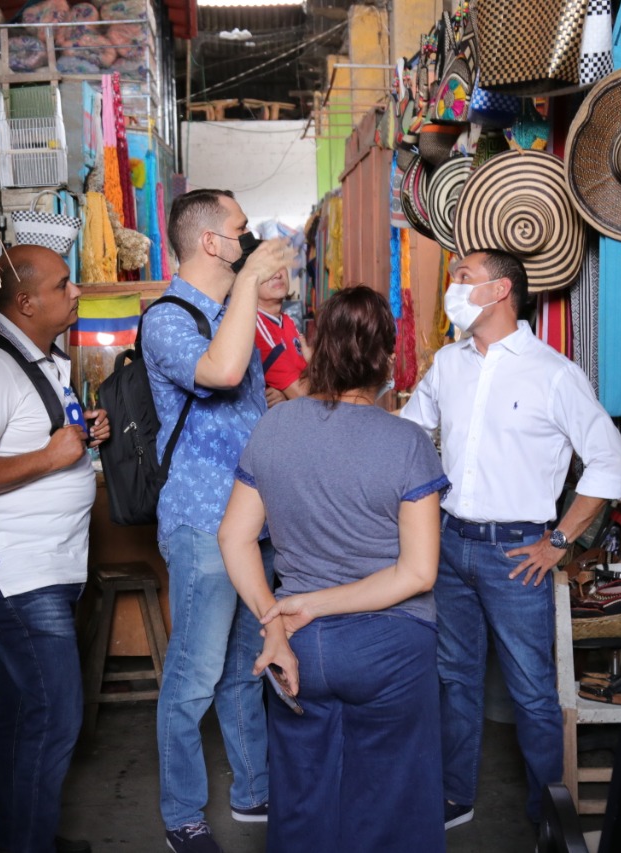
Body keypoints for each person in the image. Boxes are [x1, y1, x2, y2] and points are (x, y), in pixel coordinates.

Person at [400, 249, 621, 829]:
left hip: (518, 556)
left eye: (464, 278)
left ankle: (548, 815)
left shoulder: (553, 373)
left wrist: (559, 540)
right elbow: (407, 435)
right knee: (454, 680)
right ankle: (455, 796)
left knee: (531, 692)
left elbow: (607, 462)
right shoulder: (448, 365)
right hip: (448, 548)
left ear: (499, 291)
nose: (453, 285)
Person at [219, 286, 450, 852]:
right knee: (392, 803)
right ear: (384, 359)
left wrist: (276, 624)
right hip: (391, 648)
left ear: (316, 350)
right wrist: (316, 603)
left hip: (299, 645)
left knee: (301, 803)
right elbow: (418, 574)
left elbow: (234, 536)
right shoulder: (407, 441)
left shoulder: (274, 427)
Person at [0, 244, 111, 853]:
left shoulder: (39, 359)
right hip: (17, 576)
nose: (76, 293)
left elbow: (46, 440)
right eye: (65, 285)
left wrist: (84, 436)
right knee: (56, 718)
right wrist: (52, 456)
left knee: (19, 720)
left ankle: (25, 838)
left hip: (46, 567)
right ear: (26, 300)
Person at [142, 188, 293, 853]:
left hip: (248, 522)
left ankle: (253, 787)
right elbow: (223, 371)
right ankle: (181, 813)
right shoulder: (168, 318)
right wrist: (254, 282)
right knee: (193, 677)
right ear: (211, 243)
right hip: (203, 522)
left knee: (243, 668)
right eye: (242, 230)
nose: (251, 240)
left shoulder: (228, 310)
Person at [253, 268, 309, 407]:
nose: (278, 274)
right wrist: (315, 363)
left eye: (280, 265)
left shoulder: (287, 319)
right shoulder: (257, 327)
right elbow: (302, 395)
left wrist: (288, 395)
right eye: (267, 267)